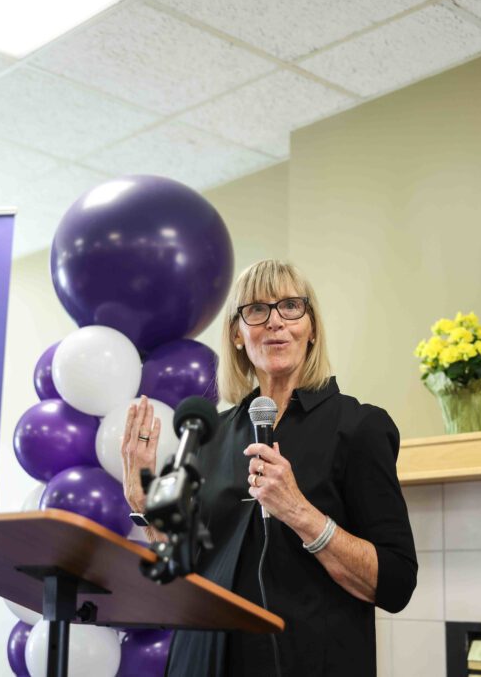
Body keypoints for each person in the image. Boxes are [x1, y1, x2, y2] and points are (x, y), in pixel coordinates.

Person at [120, 260, 417, 676]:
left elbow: (395, 583)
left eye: (291, 306)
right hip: (202, 660)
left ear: (311, 328)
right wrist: (141, 501)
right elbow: (185, 562)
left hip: (307, 662)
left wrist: (299, 512)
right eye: (256, 310)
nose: (275, 322)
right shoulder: (209, 434)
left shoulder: (359, 427)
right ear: (238, 335)